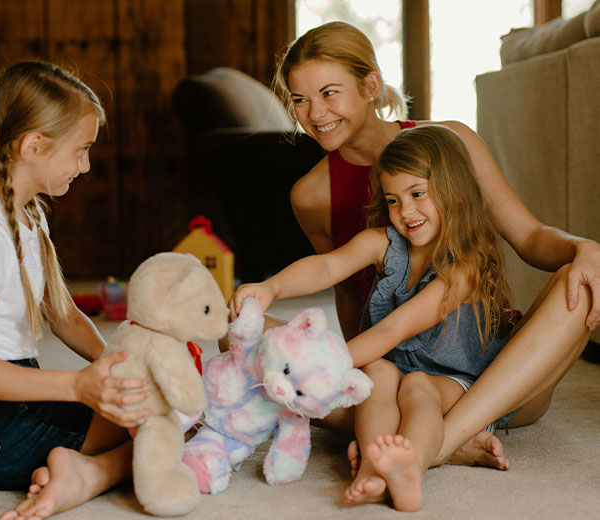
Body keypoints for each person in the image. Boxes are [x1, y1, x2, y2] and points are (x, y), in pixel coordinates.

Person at [270, 20, 599, 471]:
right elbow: (347, 296)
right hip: (397, 371)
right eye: (300, 100)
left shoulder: (451, 143)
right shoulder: (310, 195)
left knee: (579, 283)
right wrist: (360, 379)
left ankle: (441, 441)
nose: (315, 113)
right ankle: (412, 434)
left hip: (495, 377)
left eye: (329, 92)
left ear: (371, 84)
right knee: (244, 333)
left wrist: (585, 249)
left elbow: (529, 237)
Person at [231, 124, 516, 510]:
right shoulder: (383, 242)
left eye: (417, 194)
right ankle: (373, 468)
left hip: (454, 379)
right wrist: (272, 289)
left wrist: (326, 364)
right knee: (376, 375)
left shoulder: (465, 265)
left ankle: (410, 467)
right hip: (394, 365)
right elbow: (327, 267)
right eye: (393, 200)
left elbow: (396, 327)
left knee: (418, 387)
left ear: (454, 191)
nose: (406, 211)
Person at [0, 61, 150, 520]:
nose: (85, 166)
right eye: (81, 150)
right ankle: (89, 477)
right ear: (34, 145)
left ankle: (84, 470)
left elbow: (62, 314)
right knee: (168, 426)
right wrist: (79, 387)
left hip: (14, 405)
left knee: (165, 408)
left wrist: (112, 365)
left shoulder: (27, 213)